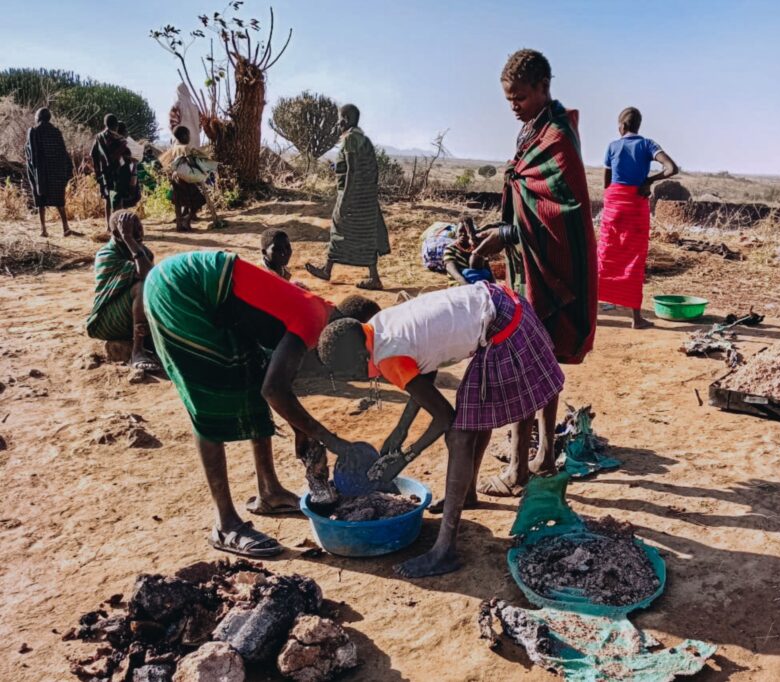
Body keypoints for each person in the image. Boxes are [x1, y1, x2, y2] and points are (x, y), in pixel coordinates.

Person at [317, 281, 564, 577]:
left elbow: (444, 417)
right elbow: (425, 368)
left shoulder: (387, 357)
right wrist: (401, 430)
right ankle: (467, 493)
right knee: (474, 414)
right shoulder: (377, 327)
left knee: (460, 434)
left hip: (503, 326)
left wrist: (407, 455)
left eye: (351, 374)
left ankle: (444, 550)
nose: (356, 379)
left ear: (359, 359)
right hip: (502, 302)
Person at [143, 250, 360, 557]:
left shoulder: (319, 310)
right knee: (209, 398)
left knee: (251, 372)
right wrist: (331, 439)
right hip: (180, 290)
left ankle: (269, 492)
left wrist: (301, 429)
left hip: (211, 295)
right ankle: (225, 523)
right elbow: (275, 391)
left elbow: (272, 383)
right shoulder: (312, 322)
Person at [472, 49, 597, 496]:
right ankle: (541, 452)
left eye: (521, 97)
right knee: (538, 358)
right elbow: (528, 197)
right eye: (509, 99)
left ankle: (521, 470)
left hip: (550, 267)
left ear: (544, 87)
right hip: (530, 265)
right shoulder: (536, 130)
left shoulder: (557, 137)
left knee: (529, 361)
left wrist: (504, 234)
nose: (514, 106)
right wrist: (500, 232)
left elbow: (559, 212)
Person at [598, 107, 678, 329]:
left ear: (621, 127)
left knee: (606, 256)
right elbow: (671, 168)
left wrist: (612, 202)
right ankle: (636, 319)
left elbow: (606, 182)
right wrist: (648, 181)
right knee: (634, 259)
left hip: (614, 204)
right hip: (635, 205)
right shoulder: (648, 144)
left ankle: (590, 314)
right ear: (638, 126)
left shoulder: (612, 146)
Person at [305, 104, 390, 290]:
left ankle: (328, 270)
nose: (338, 123)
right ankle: (372, 277)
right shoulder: (364, 139)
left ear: (346, 119)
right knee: (366, 236)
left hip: (353, 197)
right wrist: (338, 169)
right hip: (366, 199)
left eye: (339, 118)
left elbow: (352, 170)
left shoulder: (350, 139)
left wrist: (345, 200)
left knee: (338, 230)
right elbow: (363, 168)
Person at [85, 210, 161, 372]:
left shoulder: (143, 252)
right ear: (117, 234)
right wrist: (129, 239)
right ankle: (137, 351)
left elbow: (154, 279)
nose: (140, 233)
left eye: (140, 227)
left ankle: (152, 342)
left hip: (131, 314)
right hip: (106, 320)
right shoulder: (106, 254)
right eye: (133, 230)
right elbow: (145, 275)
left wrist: (132, 241)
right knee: (141, 287)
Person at [24, 107, 76, 238]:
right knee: (59, 201)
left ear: (38, 118)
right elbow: (63, 153)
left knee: (41, 200)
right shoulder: (56, 132)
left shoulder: (34, 132)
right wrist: (65, 172)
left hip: (41, 173)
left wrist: (34, 171)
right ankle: (65, 227)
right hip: (56, 173)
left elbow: (31, 154)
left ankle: (43, 230)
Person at [159, 126, 212, 232]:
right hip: (186, 180)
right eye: (188, 135)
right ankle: (187, 220)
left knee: (178, 204)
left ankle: (179, 225)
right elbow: (191, 162)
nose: (189, 137)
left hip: (176, 180)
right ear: (184, 136)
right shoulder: (185, 148)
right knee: (198, 201)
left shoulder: (173, 149)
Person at [90, 114, 131, 226]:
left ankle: (108, 225)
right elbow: (127, 155)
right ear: (117, 126)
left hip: (104, 172)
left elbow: (93, 154)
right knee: (118, 198)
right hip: (118, 172)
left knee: (107, 198)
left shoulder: (99, 137)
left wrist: (98, 168)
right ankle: (118, 224)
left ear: (105, 124)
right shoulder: (120, 140)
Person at [444, 216, 494, 286]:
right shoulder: (450, 249)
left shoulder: (477, 248)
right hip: (459, 285)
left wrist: (493, 285)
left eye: (466, 232)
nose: (463, 234)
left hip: (478, 284)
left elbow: (487, 267)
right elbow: (452, 270)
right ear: (456, 233)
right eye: (461, 231)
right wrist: (467, 286)